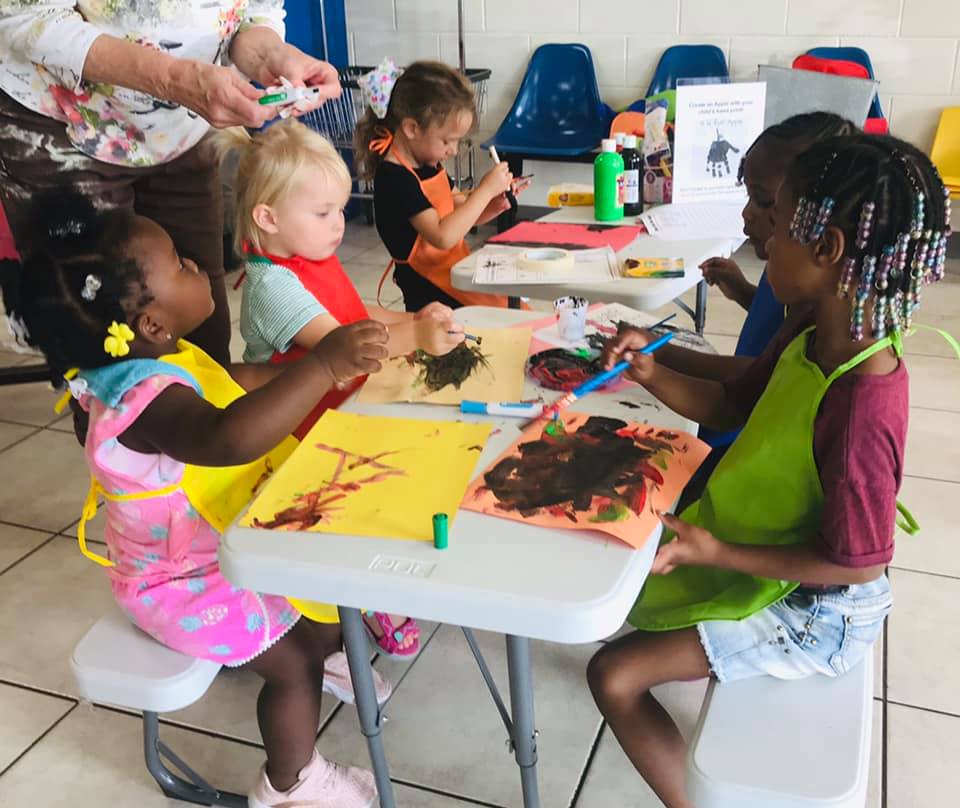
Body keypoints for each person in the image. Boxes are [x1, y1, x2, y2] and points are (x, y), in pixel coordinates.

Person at [587, 134, 951, 808]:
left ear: (827, 249)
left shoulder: (861, 403)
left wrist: (719, 551)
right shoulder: (816, 324)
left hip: (818, 608)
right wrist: (650, 365)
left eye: (777, 222)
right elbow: (734, 395)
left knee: (614, 675)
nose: (760, 234)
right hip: (783, 556)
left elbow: (857, 563)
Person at [15, 189, 393, 808]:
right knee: (293, 667)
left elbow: (231, 383)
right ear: (152, 323)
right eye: (181, 265)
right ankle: (291, 782)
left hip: (221, 544)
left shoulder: (152, 356)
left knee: (320, 598)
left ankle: (318, 656)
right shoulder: (146, 402)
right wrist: (320, 367)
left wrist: (317, 371)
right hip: (179, 581)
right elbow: (228, 436)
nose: (197, 262)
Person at [226, 119, 463, 658]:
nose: (340, 224)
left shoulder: (311, 256)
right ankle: (364, 594)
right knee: (344, 511)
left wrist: (410, 317)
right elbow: (344, 345)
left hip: (340, 407)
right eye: (324, 213)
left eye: (339, 210)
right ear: (268, 217)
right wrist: (418, 337)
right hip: (295, 433)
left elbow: (357, 315)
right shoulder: (274, 286)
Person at [0, 0, 341, 365]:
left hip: (183, 126)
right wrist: (175, 79)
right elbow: (25, 16)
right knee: (105, 349)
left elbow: (252, 13)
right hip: (62, 124)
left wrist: (270, 54)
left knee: (203, 330)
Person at [653, 113, 857, 506]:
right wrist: (744, 292)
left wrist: (656, 352)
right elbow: (773, 333)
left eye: (766, 203)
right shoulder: (788, 268)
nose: (747, 215)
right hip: (727, 412)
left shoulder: (812, 297)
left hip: (738, 445)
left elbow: (759, 374)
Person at [354, 60, 527, 311]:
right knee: (504, 320)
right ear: (412, 128)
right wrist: (485, 189)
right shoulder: (395, 177)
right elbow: (443, 236)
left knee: (516, 312)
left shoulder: (429, 165)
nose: (454, 151)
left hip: (453, 274)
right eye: (447, 140)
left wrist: (494, 204)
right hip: (431, 294)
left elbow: (462, 213)